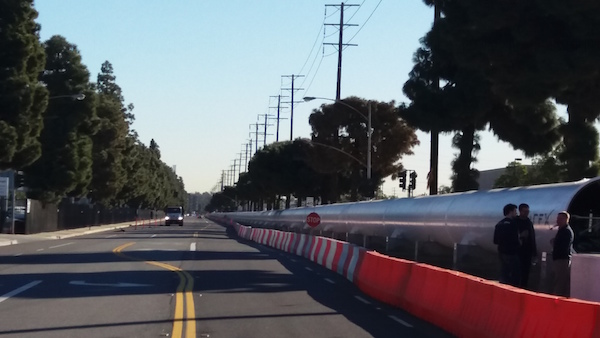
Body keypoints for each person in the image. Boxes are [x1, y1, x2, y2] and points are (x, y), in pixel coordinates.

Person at [493, 204, 521, 286]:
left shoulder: (499, 224)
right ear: (511, 212)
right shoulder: (513, 224)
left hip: (502, 252)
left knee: (504, 272)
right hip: (511, 253)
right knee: (514, 274)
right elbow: (515, 239)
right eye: (515, 211)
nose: (516, 213)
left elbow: (495, 240)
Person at [551, 211, 575, 297]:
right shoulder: (561, 230)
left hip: (562, 259)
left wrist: (555, 243)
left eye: (560, 219)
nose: (557, 221)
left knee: (560, 282)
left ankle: (557, 299)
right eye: (557, 219)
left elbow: (563, 246)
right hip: (559, 259)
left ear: (566, 219)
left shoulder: (566, 231)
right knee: (559, 280)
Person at [515, 203, 537, 288]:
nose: (526, 213)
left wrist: (534, 253)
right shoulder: (515, 222)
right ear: (520, 211)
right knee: (517, 271)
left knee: (525, 272)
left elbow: (532, 237)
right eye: (525, 211)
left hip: (527, 252)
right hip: (517, 251)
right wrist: (520, 235)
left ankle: (523, 287)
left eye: (528, 211)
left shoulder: (528, 222)